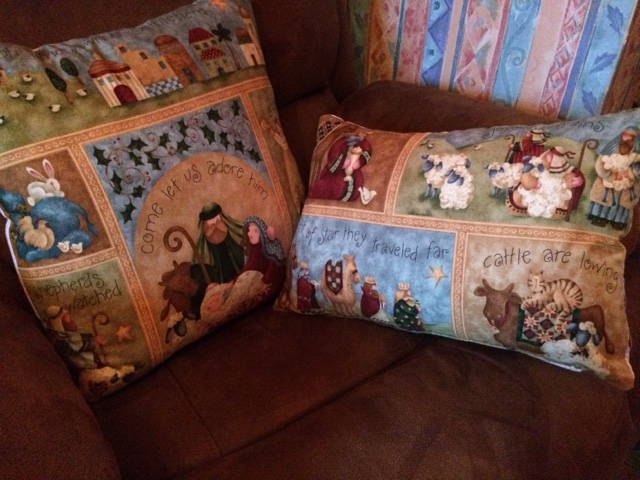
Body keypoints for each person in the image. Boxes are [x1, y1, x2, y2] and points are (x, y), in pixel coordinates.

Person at [587, 127, 640, 230]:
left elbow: (637, 168)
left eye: (630, 137)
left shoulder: (636, 155)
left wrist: (629, 175)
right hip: (607, 181)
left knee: (622, 204)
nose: (627, 139)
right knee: (604, 200)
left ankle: (617, 222)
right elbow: (599, 165)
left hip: (626, 183)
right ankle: (599, 218)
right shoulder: (610, 150)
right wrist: (612, 176)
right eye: (625, 135)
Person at [308, 135, 372, 202]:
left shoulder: (357, 173)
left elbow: (366, 150)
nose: (358, 147)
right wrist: (347, 162)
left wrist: (353, 163)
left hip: (353, 179)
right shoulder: (341, 145)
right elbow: (333, 154)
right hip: (335, 173)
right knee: (327, 186)